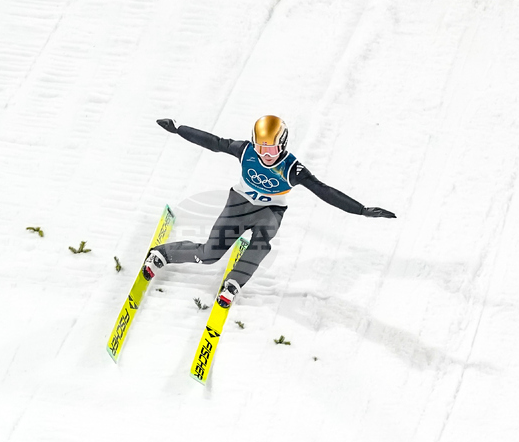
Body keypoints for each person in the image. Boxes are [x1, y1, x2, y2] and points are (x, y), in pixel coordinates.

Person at [144, 115, 396, 308]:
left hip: (270, 211)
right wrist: (178, 129)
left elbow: (324, 191)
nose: (265, 155)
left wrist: (360, 210)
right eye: (261, 148)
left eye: (272, 149)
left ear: (282, 146)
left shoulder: (293, 169)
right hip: (239, 204)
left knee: (261, 242)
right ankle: (163, 253)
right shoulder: (245, 151)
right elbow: (214, 142)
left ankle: (234, 282)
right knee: (209, 255)